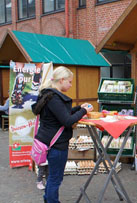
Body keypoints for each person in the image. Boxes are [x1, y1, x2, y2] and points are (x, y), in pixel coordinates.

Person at [31, 66, 93, 203]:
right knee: (55, 178)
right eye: (70, 82)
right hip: (56, 145)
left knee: (52, 176)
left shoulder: (48, 95)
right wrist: (84, 112)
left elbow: (61, 114)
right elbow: (67, 120)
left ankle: (48, 199)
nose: (71, 85)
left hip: (47, 141)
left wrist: (79, 108)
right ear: (62, 80)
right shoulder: (55, 98)